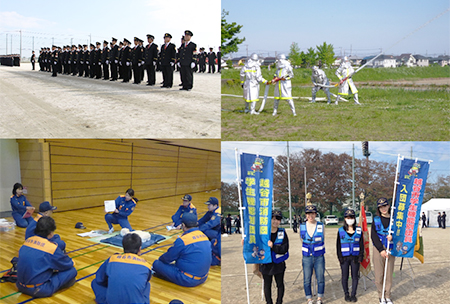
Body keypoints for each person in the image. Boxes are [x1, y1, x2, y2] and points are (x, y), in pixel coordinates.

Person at [16, 217, 77, 297]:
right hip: (38, 290)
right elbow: (68, 264)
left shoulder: (27, 241)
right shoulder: (51, 248)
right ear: (51, 233)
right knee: (72, 271)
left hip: (20, 285)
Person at [152, 213, 211, 287]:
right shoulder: (204, 236)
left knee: (156, 264)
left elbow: (167, 258)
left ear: (183, 225)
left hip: (188, 279)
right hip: (203, 277)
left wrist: (160, 262)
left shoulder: (183, 240)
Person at [91, 233, 152, 304]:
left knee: (95, 282)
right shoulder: (146, 265)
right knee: (147, 285)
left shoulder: (112, 259)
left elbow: (99, 279)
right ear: (140, 249)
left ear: (123, 247)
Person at [260, 211, 289, 304]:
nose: (275, 221)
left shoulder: (282, 232)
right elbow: (255, 246)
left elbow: (285, 248)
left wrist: (274, 247)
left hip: (278, 263)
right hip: (266, 263)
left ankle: (279, 301)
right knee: (267, 285)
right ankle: (269, 302)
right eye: (273, 219)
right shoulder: (263, 233)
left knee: (280, 284)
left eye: (278, 219)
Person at [300, 205, 325, 304]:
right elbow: (301, 239)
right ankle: (309, 298)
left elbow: (323, 238)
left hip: (319, 256)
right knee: (307, 279)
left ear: (315, 214)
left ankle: (319, 298)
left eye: (313, 213)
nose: (311, 215)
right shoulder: (301, 226)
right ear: (306, 215)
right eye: (308, 213)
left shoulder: (321, 225)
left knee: (320, 278)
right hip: (307, 257)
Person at [337, 209, 364, 302]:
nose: (350, 219)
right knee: (345, 276)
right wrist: (340, 258)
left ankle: (353, 294)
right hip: (344, 258)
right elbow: (338, 245)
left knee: (355, 276)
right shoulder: (340, 230)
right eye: (348, 217)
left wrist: (361, 256)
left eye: (352, 217)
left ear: (354, 219)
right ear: (345, 219)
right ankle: (346, 294)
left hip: (355, 258)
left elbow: (362, 244)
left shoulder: (359, 230)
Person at [371, 198, 395, 304]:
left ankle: (388, 295)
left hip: (390, 249)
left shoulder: (394, 220)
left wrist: (393, 237)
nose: (383, 208)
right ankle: (381, 296)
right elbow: (373, 235)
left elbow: (400, 234)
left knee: (389, 273)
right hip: (379, 249)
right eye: (381, 207)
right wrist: (381, 250)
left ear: (388, 206)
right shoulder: (376, 219)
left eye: (385, 206)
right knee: (379, 274)